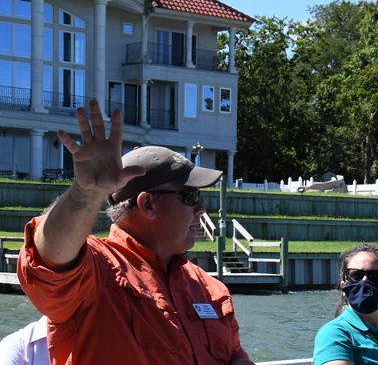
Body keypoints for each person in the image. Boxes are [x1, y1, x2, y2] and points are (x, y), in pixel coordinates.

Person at [16, 99, 254, 365]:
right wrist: (86, 192)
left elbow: (235, 356)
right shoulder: (95, 271)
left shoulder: (209, 288)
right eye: (190, 196)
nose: (201, 208)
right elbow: (47, 261)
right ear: (148, 204)